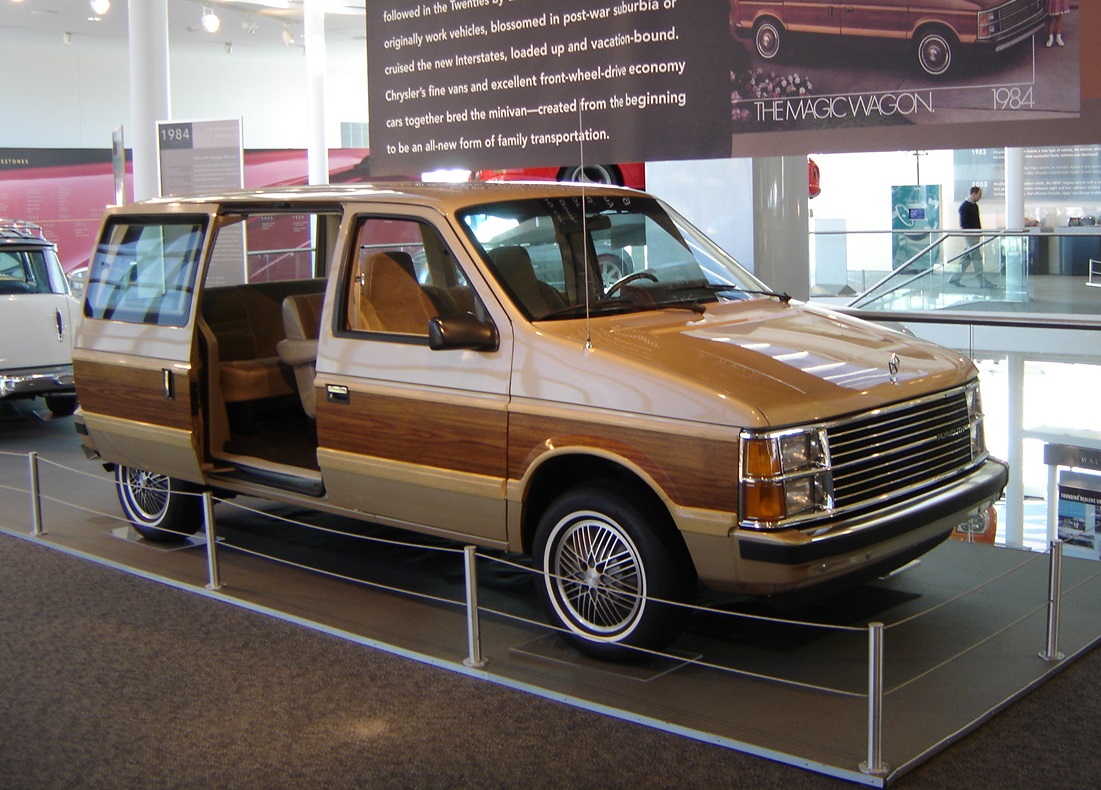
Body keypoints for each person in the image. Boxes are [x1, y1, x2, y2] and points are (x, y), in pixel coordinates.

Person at [951, 186, 994, 288]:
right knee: (976, 258)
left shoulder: (974, 206)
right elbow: (963, 224)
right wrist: (972, 233)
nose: (980, 197)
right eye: (979, 195)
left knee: (966, 258)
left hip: (975, 235)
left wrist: (979, 232)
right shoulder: (964, 207)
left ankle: (954, 278)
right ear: (973, 193)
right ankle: (982, 282)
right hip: (970, 236)